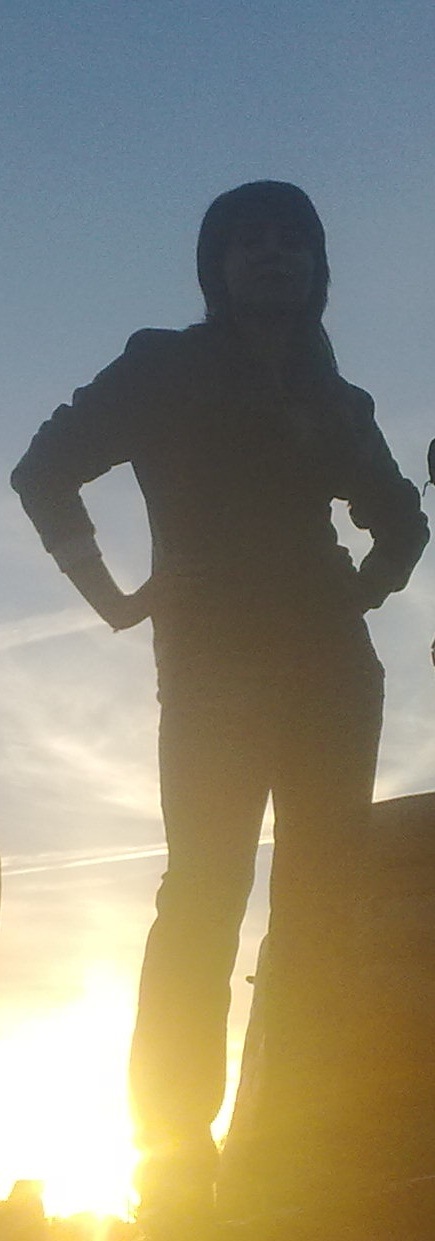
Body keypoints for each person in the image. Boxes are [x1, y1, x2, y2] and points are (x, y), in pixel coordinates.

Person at [11, 181, 429, 1237]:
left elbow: (401, 519)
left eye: (291, 239)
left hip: (334, 677)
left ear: (317, 266)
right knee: (200, 901)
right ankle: (173, 1176)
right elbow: (44, 469)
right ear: (217, 265)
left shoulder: (339, 402)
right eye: (248, 240)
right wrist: (111, 596)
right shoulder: (163, 366)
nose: (271, 253)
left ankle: (287, 1150)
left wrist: (360, 588)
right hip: (211, 677)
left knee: (320, 911)